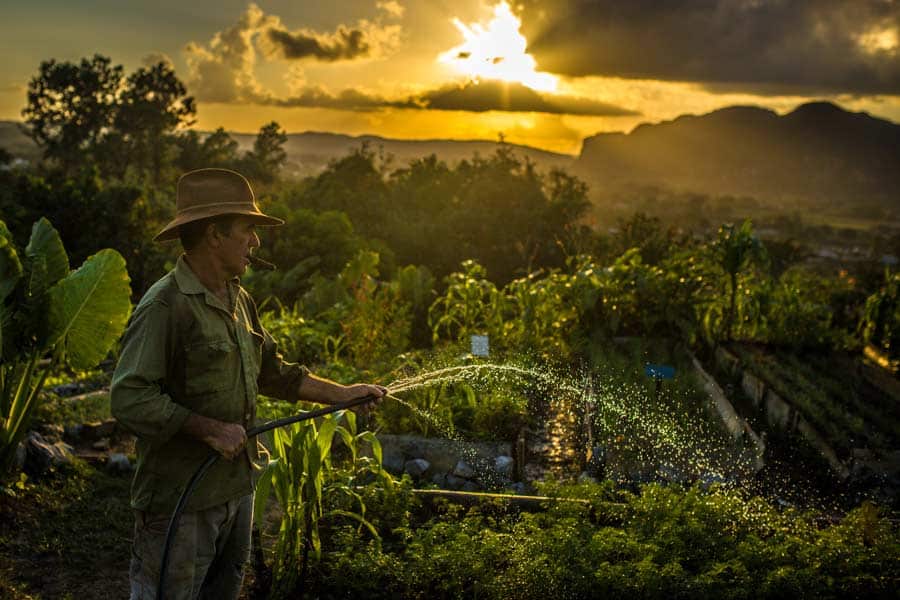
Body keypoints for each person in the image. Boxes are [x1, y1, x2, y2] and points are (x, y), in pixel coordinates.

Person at [111, 168, 385, 600]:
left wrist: (345, 394)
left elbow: (273, 371)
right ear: (213, 235)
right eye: (247, 230)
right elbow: (128, 397)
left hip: (236, 490)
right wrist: (208, 428)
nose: (256, 242)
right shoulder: (166, 305)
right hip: (181, 501)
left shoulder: (238, 299)